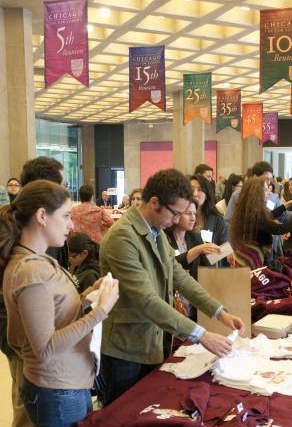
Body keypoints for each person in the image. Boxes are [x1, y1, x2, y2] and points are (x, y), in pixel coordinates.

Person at [100, 169, 244, 406]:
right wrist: (202, 335)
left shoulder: (155, 231)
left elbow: (180, 277)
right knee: (123, 418)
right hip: (126, 349)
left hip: (152, 340)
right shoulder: (122, 237)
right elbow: (146, 300)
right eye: (175, 213)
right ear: (155, 202)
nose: (177, 220)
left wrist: (219, 312)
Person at [1, 180, 119, 427]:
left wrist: (89, 292)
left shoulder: (39, 261)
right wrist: (100, 312)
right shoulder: (31, 271)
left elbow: (55, 314)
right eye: (66, 216)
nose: (72, 225)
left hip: (66, 384)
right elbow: (45, 347)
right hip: (57, 389)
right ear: (42, 216)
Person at [230, 178, 292, 267]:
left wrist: (287, 204)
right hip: (251, 258)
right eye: (265, 190)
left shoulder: (249, 209)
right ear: (256, 193)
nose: (269, 193)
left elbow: (269, 216)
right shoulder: (255, 214)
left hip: (248, 253)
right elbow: (279, 229)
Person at [165, 200, 221, 320]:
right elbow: (171, 265)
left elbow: (207, 263)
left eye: (195, 214)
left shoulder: (194, 237)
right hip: (171, 302)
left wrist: (224, 253)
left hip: (192, 303)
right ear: (177, 213)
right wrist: (198, 249)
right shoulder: (164, 237)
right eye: (188, 213)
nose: (192, 218)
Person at [189, 174, 228, 248]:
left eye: (200, 190)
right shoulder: (179, 218)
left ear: (206, 195)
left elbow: (225, 252)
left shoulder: (217, 220)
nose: (194, 193)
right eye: (191, 189)